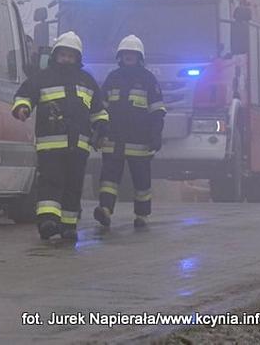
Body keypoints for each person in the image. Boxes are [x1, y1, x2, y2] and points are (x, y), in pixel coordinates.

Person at [12, 32, 109, 242]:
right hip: (50, 145)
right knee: (50, 182)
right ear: (55, 55)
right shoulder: (42, 77)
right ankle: (47, 221)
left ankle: (68, 226)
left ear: (77, 58)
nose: (66, 59)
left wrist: (101, 127)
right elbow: (25, 95)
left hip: (79, 146)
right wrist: (22, 108)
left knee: (73, 186)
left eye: (70, 56)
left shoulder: (87, 81)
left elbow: (98, 110)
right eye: (62, 55)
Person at [94, 35, 165, 230]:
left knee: (141, 180)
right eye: (125, 54)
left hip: (140, 140)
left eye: (132, 54)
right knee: (109, 177)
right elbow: (102, 107)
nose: (129, 57)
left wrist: (156, 134)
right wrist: (99, 130)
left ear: (139, 57)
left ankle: (142, 214)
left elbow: (157, 110)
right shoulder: (113, 78)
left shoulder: (148, 79)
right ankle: (105, 210)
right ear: (120, 56)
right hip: (114, 138)